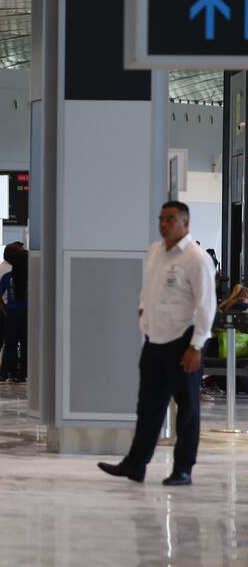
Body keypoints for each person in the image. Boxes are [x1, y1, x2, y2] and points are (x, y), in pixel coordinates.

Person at [99, 201, 216, 487]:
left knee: (187, 410)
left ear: (185, 224)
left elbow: (206, 306)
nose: (164, 224)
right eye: (162, 219)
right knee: (148, 407)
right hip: (154, 342)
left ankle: (183, 469)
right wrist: (142, 310)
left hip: (183, 342)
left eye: (171, 219)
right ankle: (135, 465)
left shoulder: (196, 258)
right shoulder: (155, 251)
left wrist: (196, 346)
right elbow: (148, 287)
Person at [0, 247, 29, 382]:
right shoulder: (32, 277)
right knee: (26, 345)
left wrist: (4, 309)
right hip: (27, 314)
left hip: (12, 314)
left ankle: (6, 373)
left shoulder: (7, 277)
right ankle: (23, 374)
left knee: (10, 345)